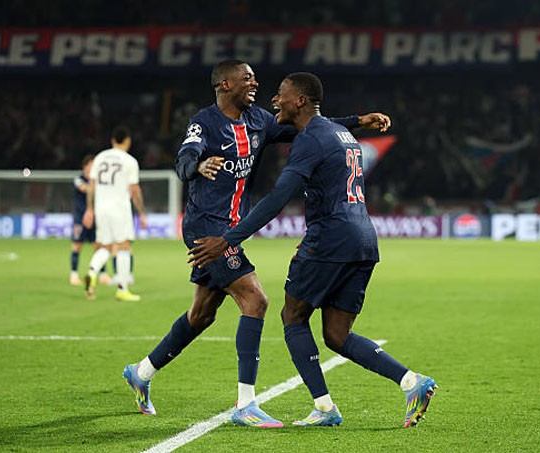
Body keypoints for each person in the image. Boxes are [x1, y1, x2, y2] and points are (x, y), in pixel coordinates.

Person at [122, 59, 391, 427]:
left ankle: (141, 372)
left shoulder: (259, 121)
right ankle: (245, 404)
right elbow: (184, 159)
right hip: (207, 229)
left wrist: (358, 121)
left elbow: (310, 125)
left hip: (228, 229)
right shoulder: (205, 122)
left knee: (201, 315)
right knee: (256, 300)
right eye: (247, 78)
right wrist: (197, 166)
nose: (255, 83)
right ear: (225, 84)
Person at [189, 72, 437, 428]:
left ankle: (324, 406)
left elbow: (278, 197)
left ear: (300, 101)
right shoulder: (341, 134)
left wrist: (228, 239)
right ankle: (412, 382)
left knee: (293, 316)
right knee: (337, 335)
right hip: (363, 239)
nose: (275, 100)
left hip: (332, 238)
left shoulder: (309, 140)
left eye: (281, 94)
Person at [82, 125, 147, 302]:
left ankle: (92, 273)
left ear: (112, 141)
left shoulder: (100, 158)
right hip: (119, 209)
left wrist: (89, 209)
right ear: (128, 141)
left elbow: (91, 186)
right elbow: (134, 191)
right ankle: (122, 290)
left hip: (101, 209)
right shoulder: (129, 161)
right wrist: (141, 213)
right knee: (124, 247)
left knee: (105, 247)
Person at [69, 154, 111, 286]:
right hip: (80, 218)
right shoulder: (79, 179)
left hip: (96, 217)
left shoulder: (97, 180)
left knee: (99, 246)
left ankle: (103, 274)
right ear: (85, 166)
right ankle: (74, 275)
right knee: (77, 246)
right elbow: (85, 189)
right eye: (91, 165)